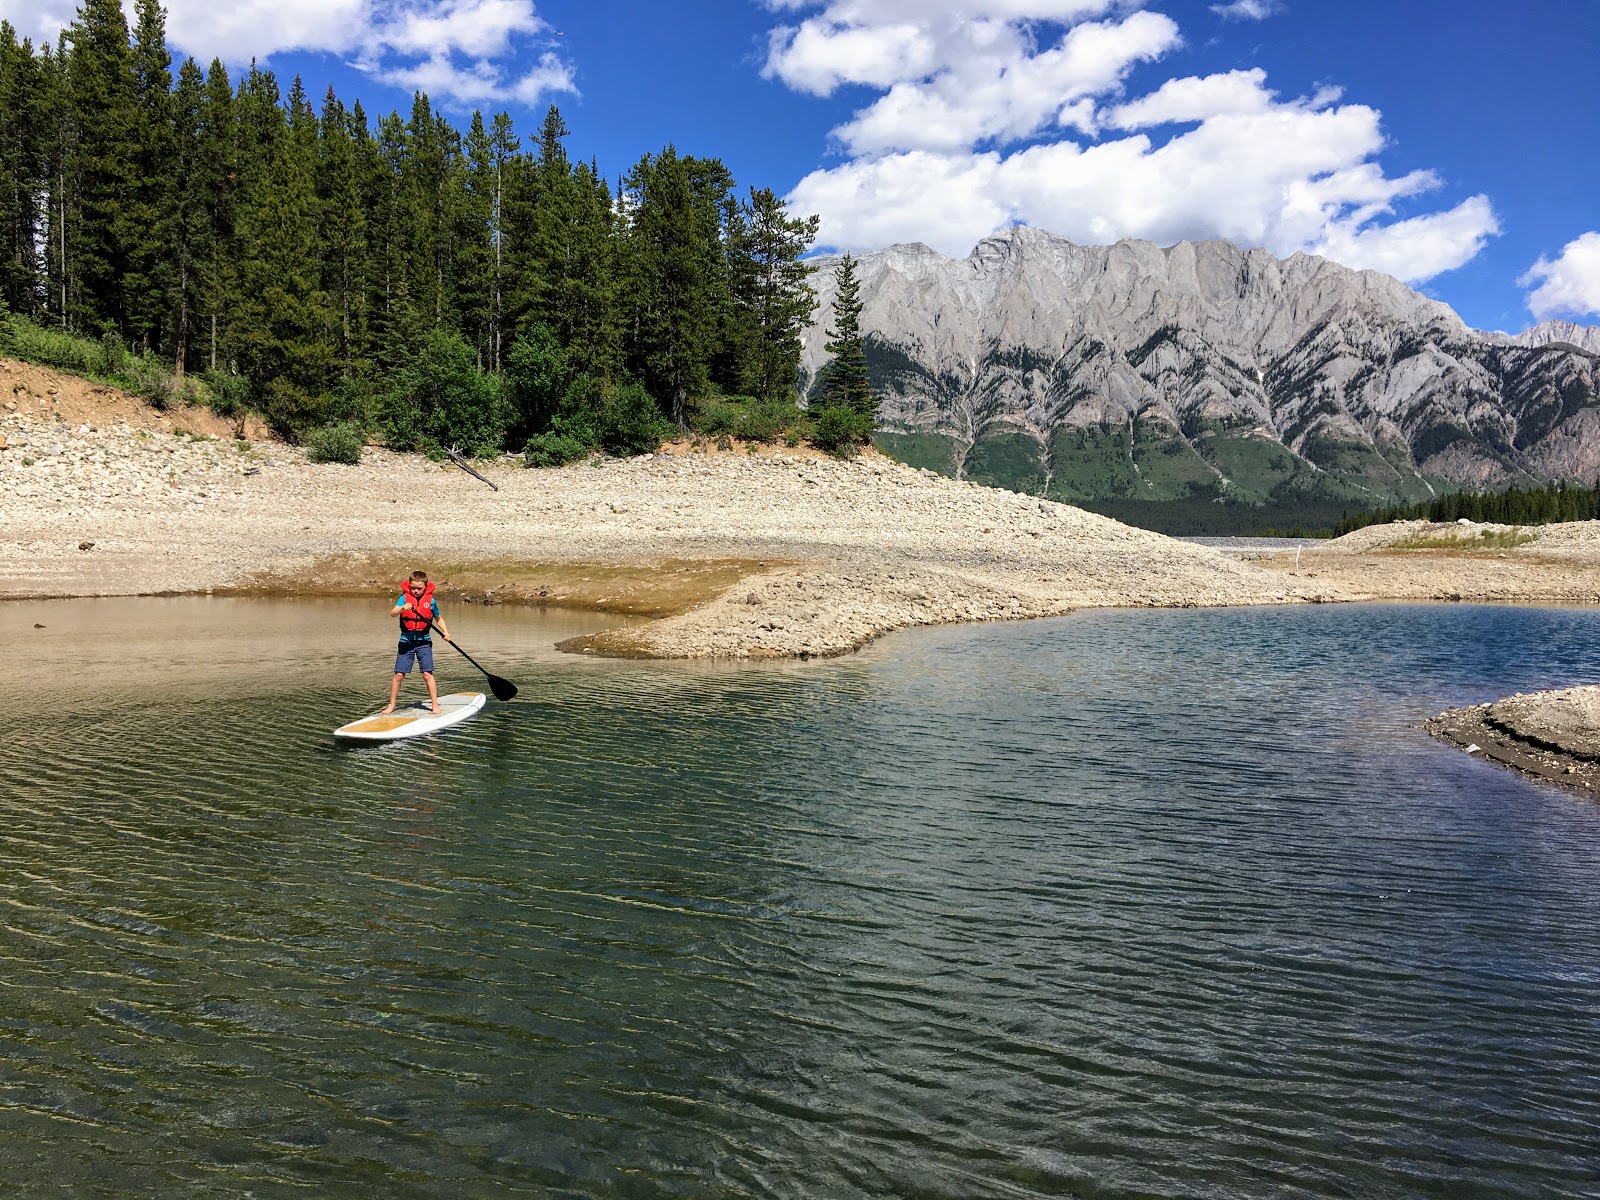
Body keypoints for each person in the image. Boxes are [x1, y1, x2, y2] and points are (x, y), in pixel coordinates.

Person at [385, 570, 452, 714]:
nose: (415, 591)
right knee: (399, 675)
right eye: (413, 588)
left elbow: (438, 618)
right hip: (406, 641)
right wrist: (402, 607)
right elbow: (393, 613)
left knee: (427, 674)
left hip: (424, 642)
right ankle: (391, 705)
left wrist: (445, 632)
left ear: (425, 587)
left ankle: (435, 705)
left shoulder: (431, 601)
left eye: (419, 588)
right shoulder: (404, 598)